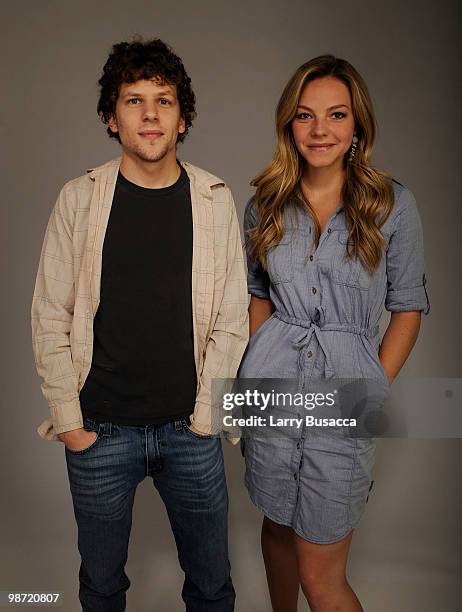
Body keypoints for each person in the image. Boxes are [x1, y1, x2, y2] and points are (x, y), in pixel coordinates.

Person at [31, 37, 248, 612]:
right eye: (134, 100)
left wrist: (208, 418)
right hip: (99, 431)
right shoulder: (78, 200)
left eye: (164, 100)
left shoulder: (214, 200)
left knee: (211, 587)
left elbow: (231, 317)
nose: (150, 114)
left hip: (191, 430)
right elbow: (50, 314)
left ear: (183, 119)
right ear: (111, 116)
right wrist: (70, 423)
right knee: (101, 587)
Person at [238, 55, 430, 612]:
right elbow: (258, 295)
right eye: (305, 116)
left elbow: (407, 309)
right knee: (276, 529)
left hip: (345, 395)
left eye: (336, 115)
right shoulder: (263, 204)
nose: (320, 130)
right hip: (272, 387)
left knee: (322, 574)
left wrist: (369, 387)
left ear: (357, 126)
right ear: (288, 125)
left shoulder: (393, 204)